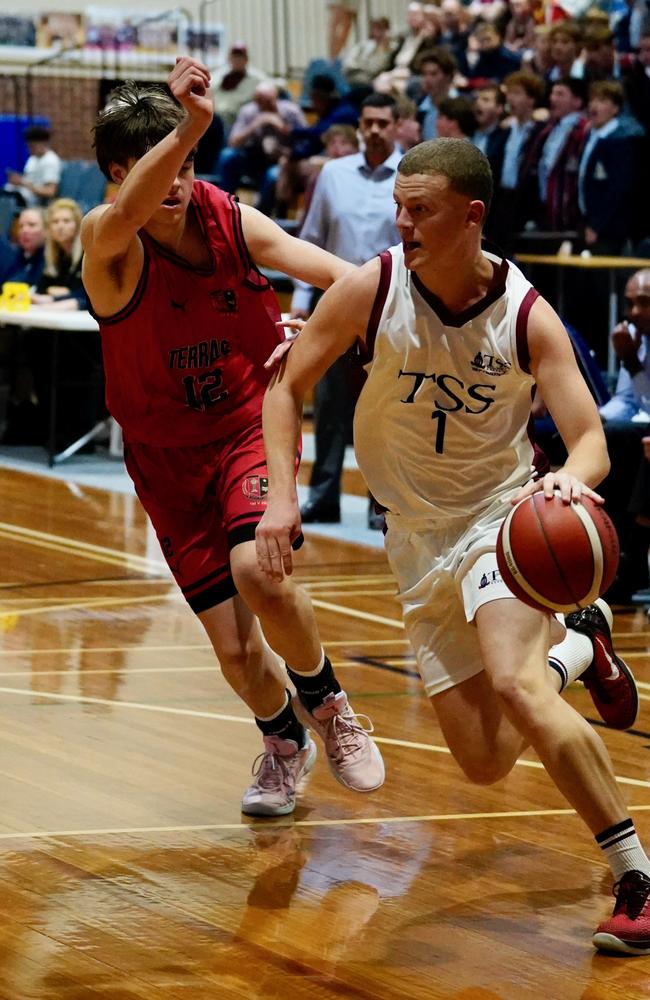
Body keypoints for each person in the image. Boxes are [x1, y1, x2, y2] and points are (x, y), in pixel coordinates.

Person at [256, 138, 650, 954]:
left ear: (471, 216)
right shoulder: (372, 287)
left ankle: (636, 878)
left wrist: (567, 481)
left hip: (499, 525)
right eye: (399, 207)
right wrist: (284, 497)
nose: (402, 223)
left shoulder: (528, 314)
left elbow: (590, 442)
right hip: (412, 538)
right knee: (481, 763)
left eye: (420, 209)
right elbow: (286, 385)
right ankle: (580, 646)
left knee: (514, 687)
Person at [80, 57, 385, 818]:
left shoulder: (229, 218)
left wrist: (347, 317)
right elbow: (123, 214)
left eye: (186, 162)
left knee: (261, 570)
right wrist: (190, 125)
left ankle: (329, 704)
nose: (176, 179)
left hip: (249, 428)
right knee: (239, 656)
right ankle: (285, 740)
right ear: (118, 175)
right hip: (163, 456)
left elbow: (338, 275)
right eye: (154, 166)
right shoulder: (107, 242)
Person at [291, 93, 402, 528]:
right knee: (331, 403)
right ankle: (323, 497)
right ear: (359, 125)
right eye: (368, 122)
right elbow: (310, 237)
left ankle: (384, 503)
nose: (375, 130)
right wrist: (301, 299)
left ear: (397, 126)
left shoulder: (412, 173)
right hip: (335, 301)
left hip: (392, 303)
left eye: (383, 122)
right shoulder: (333, 175)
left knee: (386, 407)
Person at [597, 268, 650, 604]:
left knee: (621, 440)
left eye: (643, 303)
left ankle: (628, 562)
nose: (633, 312)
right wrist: (593, 421)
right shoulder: (634, 335)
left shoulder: (631, 345)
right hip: (643, 428)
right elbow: (628, 401)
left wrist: (630, 361)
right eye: (630, 303)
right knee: (602, 437)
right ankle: (608, 556)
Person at [214, 82, 306, 216]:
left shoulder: (291, 111)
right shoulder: (249, 110)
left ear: (276, 98)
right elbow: (233, 142)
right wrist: (255, 124)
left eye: (268, 101)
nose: (263, 105)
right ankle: (225, 208)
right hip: (253, 160)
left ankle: (261, 216)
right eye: (259, 101)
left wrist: (284, 129)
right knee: (228, 156)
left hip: (282, 161)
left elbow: (306, 141)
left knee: (273, 175)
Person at [31, 197, 86, 310]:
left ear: (77, 225)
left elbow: (89, 295)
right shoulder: (50, 254)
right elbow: (40, 289)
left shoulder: (87, 254)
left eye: (66, 221)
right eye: (55, 221)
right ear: (49, 228)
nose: (60, 226)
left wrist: (55, 298)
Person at [4, 125, 61, 208]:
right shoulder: (32, 158)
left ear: (43, 143)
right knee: (5, 193)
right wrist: (17, 180)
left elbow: (50, 191)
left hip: (36, 202)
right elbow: (28, 179)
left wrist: (23, 183)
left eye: (32, 146)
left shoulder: (50, 160)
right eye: (28, 146)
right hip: (22, 194)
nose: (29, 149)